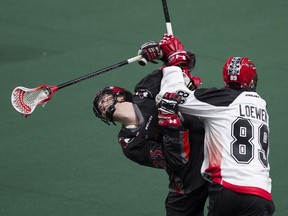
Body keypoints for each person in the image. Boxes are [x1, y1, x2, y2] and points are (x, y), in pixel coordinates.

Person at [150, 34, 275, 215]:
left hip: (228, 189)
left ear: (226, 80)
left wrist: (176, 61)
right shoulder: (261, 106)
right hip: (261, 194)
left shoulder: (221, 100)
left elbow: (172, 94)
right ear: (253, 80)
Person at [92, 44, 209, 215]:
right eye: (99, 107)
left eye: (105, 98)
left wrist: (161, 52)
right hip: (188, 180)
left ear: (121, 95)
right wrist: (170, 120)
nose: (102, 104)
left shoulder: (146, 90)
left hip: (217, 154)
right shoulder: (130, 144)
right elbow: (176, 159)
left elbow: (183, 60)